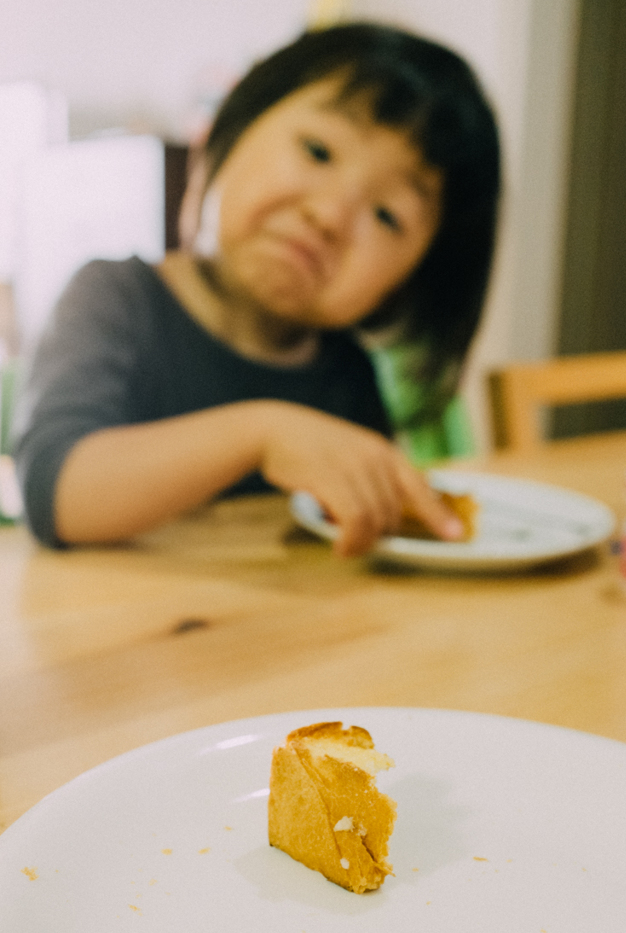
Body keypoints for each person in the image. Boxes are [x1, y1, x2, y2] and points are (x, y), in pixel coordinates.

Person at [14, 22, 500, 556]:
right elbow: (57, 493)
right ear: (229, 132)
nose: (330, 215)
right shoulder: (114, 299)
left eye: (387, 215)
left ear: (408, 284)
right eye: (317, 151)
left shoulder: (347, 376)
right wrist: (263, 435)